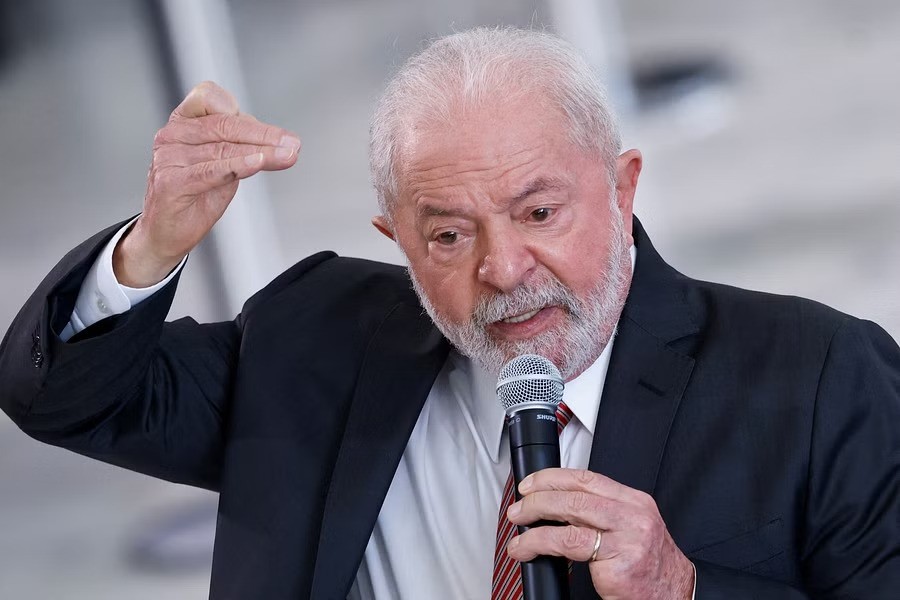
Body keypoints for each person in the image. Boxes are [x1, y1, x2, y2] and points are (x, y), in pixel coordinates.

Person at [1, 27, 898, 600]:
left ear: (622, 188)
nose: (503, 269)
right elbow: (66, 396)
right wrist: (152, 245)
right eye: (447, 237)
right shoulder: (316, 341)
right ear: (393, 236)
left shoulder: (819, 377)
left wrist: (685, 589)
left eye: (540, 214)